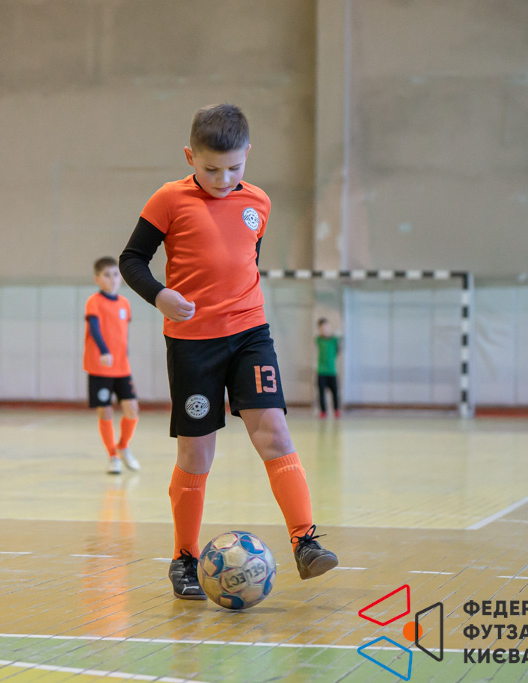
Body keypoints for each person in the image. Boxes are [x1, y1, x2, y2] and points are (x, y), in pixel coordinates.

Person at [119, 103, 339, 600]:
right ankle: (184, 557)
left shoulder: (258, 202)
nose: (223, 179)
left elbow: (246, 262)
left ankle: (305, 541)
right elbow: (132, 259)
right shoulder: (168, 199)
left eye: (234, 168)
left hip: (249, 335)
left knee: (274, 432)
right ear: (189, 157)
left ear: (248, 155)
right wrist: (159, 295)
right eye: (211, 169)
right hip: (192, 344)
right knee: (196, 451)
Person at [84, 256, 140, 474]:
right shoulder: (94, 302)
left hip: (122, 368)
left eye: (116, 274)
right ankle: (112, 455)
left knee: (132, 410)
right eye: (107, 275)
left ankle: (123, 446)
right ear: (97, 278)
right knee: (105, 411)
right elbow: (94, 329)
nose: (113, 279)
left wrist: (123, 356)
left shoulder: (125, 303)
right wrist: (104, 351)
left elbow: (122, 335)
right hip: (100, 367)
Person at [315, 318, 341, 418]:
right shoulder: (318, 339)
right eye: (322, 328)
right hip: (321, 371)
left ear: (329, 327)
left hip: (332, 371)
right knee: (321, 393)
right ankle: (323, 411)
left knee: (335, 392)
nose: (324, 329)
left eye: (326, 327)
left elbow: (338, 351)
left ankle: (336, 410)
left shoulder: (334, 340)